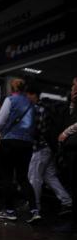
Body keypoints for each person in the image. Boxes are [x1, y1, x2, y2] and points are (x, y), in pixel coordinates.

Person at [0, 78, 40, 223]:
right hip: (26, 144)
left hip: (9, 142)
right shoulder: (31, 104)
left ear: (12, 88)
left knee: (7, 177)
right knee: (23, 177)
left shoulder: (10, 100)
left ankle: (9, 211)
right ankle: (34, 210)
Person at [25, 84, 72, 216]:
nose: (26, 97)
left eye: (27, 95)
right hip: (49, 147)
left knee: (34, 177)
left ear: (32, 94)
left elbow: (37, 130)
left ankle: (35, 207)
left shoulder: (38, 109)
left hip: (39, 148)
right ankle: (67, 201)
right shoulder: (45, 107)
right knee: (49, 176)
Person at [57, 77, 77, 232]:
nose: (74, 89)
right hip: (70, 152)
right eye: (73, 86)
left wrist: (66, 132)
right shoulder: (71, 106)